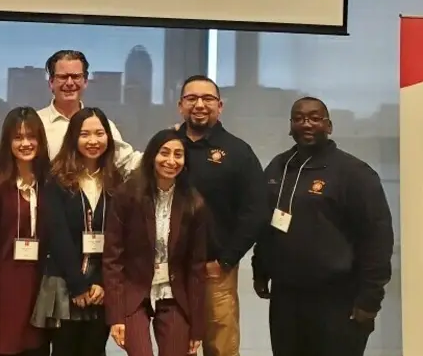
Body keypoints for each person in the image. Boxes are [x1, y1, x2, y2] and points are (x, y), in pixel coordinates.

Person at [251, 97, 393, 356]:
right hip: (286, 297)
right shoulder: (277, 167)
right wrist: (260, 268)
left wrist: (370, 300)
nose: (306, 124)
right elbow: (265, 223)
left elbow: (377, 239)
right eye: (299, 118)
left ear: (329, 126)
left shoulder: (355, 173)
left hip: (337, 298)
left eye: (315, 118)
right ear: (290, 126)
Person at [172, 75, 265, 356]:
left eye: (208, 99)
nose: (200, 105)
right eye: (191, 99)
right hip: (169, 269)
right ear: (180, 106)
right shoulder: (167, 148)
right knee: (174, 345)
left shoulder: (238, 152)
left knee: (221, 348)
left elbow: (256, 210)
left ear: (220, 106)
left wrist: (226, 259)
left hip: (215, 269)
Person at [104, 129, 207, 356]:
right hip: (135, 293)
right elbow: (113, 259)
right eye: (165, 153)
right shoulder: (127, 195)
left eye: (178, 155)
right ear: (152, 155)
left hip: (174, 295)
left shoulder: (194, 203)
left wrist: (197, 328)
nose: (171, 161)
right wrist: (116, 316)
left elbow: (196, 268)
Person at [32, 107, 121, 356]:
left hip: (101, 287)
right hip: (66, 283)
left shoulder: (116, 180)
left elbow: (118, 239)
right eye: (85, 134)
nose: (93, 141)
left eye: (99, 133)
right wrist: (78, 285)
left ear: (108, 138)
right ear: (73, 138)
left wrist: (101, 282)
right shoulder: (56, 178)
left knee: (95, 350)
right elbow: (57, 234)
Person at [0, 107, 52, 356]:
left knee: (38, 345)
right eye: (18, 137)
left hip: (42, 278)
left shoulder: (50, 181)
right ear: (8, 141)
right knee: (9, 343)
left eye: (31, 136)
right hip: (7, 278)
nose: (25, 143)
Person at [37, 50, 140, 173]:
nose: (69, 83)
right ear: (51, 82)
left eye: (76, 77)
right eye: (63, 77)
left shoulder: (102, 124)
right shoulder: (36, 123)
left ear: (85, 82)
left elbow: (127, 162)